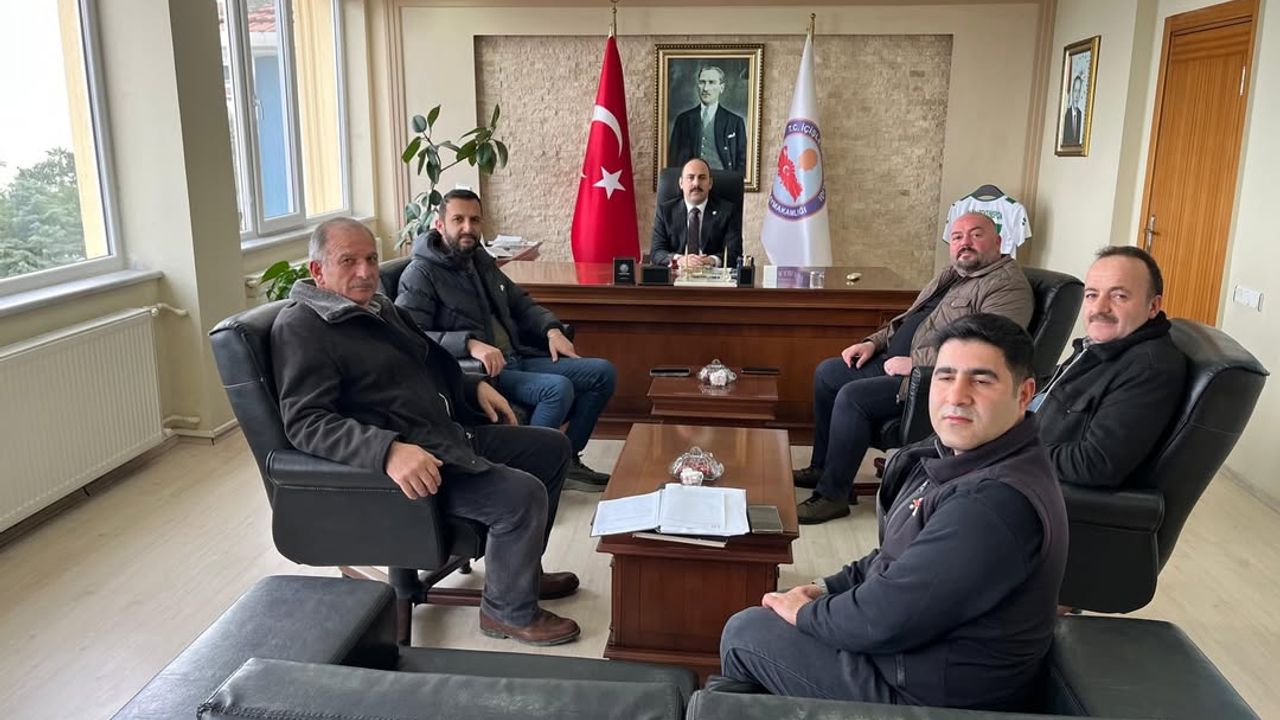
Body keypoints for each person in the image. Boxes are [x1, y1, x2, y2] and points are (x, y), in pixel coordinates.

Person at [720, 314, 1068, 711]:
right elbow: (896, 557)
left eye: (981, 380)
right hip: (913, 657)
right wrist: (824, 588)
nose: (956, 395)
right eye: (945, 376)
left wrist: (806, 613)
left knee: (747, 631)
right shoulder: (962, 459)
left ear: (1024, 394)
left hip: (932, 695)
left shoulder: (992, 504)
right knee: (777, 610)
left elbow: (882, 619)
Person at [271, 217, 581, 646]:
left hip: (445, 437)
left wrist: (472, 388)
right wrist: (388, 451)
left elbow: (431, 366)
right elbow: (307, 421)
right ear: (317, 271)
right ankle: (507, 612)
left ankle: (521, 574)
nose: (365, 271)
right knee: (521, 494)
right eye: (348, 261)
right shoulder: (303, 327)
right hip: (415, 467)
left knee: (552, 448)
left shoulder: (381, 309)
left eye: (371, 259)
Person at [795, 212, 1033, 524]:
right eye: (958, 237)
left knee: (853, 396)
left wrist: (917, 363)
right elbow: (909, 320)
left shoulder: (1006, 287)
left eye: (976, 235)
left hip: (930, 379)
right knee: (828, 373)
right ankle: (822, 468)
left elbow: (988, 349)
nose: (965, 243)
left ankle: (832, 495)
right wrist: (872, 343)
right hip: (894, 363)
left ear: (999, 242)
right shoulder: (951, 275)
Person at [396, 189, 617, 491]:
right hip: (480, 372)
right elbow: (410, 335)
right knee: (556, 390)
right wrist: (468, 343)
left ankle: (567, 461)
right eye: (458, 220)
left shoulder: (480, 260)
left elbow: (521, 304)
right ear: (439, 224)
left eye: (474, 220)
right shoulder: (420, 273)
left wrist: (551, 330)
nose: (468, 228)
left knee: (602, 372)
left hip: (517, 356)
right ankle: (530, 475)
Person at [1034, 246, 1185, 487]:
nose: (1099, 308)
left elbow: (1096, 463)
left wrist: (1009, 451)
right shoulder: (1101, 346)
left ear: (1153, 306)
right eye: (1092, 295)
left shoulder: (1148, 369)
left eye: (1119, 296)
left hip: (1032, 486)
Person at [650, 157, 743, 269]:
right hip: (677, 275)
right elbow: (656, 252)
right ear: (681, 183)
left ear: (710, 183)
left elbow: (734, 252)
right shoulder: (665, 211)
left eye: (702, 178)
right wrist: (680, 260)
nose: (696, 183)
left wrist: (712, 260)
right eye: (690, 177)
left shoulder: (728, 211)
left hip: (711, 275)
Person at [667, 65, 747, 173]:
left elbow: (743, 162)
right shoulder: (683, 120)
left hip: (724, 179)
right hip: (693, 181)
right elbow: (673, 160)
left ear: (721, 88)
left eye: (711, 82)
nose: (705, 88)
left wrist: (733, 180)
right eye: (702, 82)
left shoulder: (735, 122)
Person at [1062, 75, 1085, 146]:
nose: (1077, 96)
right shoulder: (1066, 114)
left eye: (1079, 91)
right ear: (1072, 92)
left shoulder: (1081, 115)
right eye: (1075, 91)